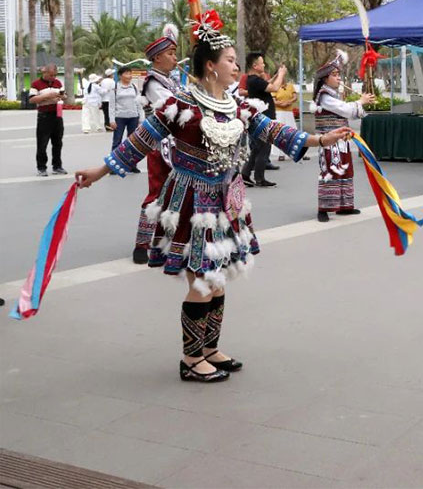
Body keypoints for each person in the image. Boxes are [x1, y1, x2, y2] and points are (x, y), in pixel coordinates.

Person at [74, 21, 355, 382]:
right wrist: (100, 171)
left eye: (236, 61)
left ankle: (209, 349)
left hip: (226, 202)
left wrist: (320, 140)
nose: (236, 66)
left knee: (217, 279)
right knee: (202, 280)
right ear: (210, 66)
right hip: (192, 202)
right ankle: (191, 359)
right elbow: (139, 141)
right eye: (230, 60)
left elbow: (274, 130)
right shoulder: (180, 104)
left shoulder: (237, 105)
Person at [132, 24, 181, 264]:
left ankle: (165, 240)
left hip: (176, 144)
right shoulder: (153, 82)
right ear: (157, 58)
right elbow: (172, 108)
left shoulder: (170, 80)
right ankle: (142, 244)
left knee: (175, 193)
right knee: (157, 193)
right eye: (170, 54)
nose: (175, 58)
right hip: (160, 146)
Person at [312, 51, 373, 221]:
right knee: (330, 171)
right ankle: (323, 209)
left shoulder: (332, 94)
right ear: (325, 79)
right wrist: (360, 102)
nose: (338, 78)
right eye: (334, 75)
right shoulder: (324, 96)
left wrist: (362, 103)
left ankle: (344, 206)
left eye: (339, 74)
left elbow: (347, 112)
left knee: (345, 170)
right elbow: (345, 110)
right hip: (329, 141)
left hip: (341, 141)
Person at [243, 53, 285, 188]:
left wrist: (276, 76)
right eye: (262, 63)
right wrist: (281, 74)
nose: (264, 65)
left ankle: (245, 174)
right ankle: (259, 178)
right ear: (255, 66)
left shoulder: (254, 80)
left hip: (259, 118)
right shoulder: (255, 80)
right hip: (263, 119)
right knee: (264, 148)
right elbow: (274, 88)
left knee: (257, 148)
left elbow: (267, 85)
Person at [30, 64, 67, 176]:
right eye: (51, 75)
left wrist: (61, 96)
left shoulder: (58, 83)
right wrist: (47, 96)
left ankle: (57, 166)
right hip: (44, 116)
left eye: (55, 75)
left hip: (57, 115)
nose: (53, 77)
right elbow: (32, 99)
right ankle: (41, 167)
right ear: (44, 72)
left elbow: (64, 95)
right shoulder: (36, 84)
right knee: (42, 143)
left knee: (58, 142)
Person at [110, 66, 142, 167]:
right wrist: (112, 120)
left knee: (133, 142)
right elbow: (111, 105)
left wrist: (141, 119)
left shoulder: (134, 87)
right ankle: (113, 164)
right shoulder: (115, 87)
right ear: (120, 76)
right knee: (117, 141)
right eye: (127, 73)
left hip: (133, 117)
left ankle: (132, 165)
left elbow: (139, 103)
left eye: (130, 73)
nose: (129, 75)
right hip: (119, 118)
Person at [271, 80, 298, 162]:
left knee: (292, 132)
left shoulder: (290, 86)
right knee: (280, 132)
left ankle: (293, 152)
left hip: (289, 112)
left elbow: (295, 97)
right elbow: (273, 100)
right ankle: (280, 154)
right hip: (279, 112)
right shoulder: (275, 87)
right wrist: (281, 104)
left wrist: (289, 102)